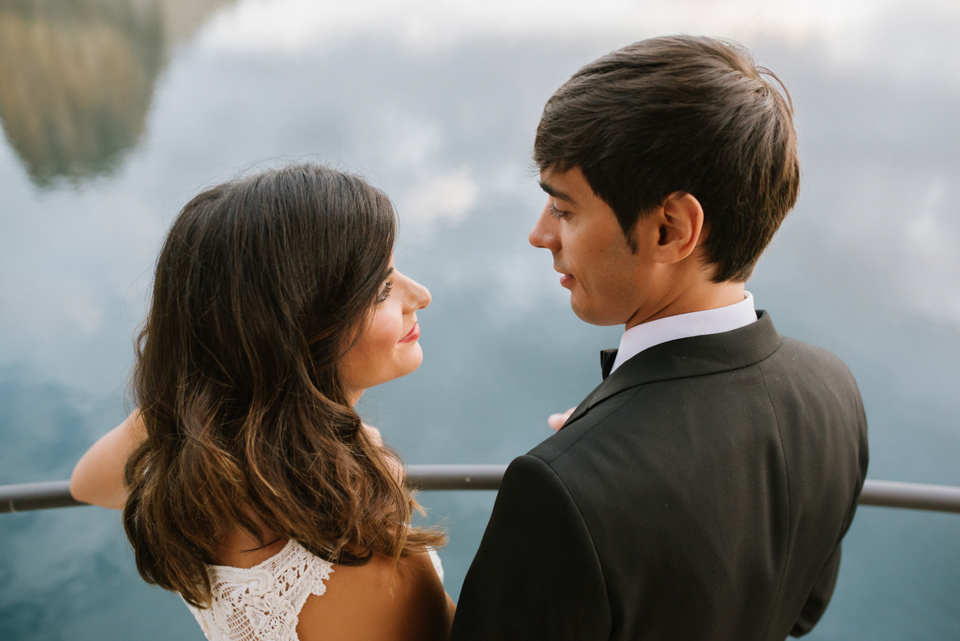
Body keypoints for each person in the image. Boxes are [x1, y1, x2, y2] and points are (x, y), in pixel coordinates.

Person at [451, 36, 869, 640]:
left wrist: (589, 472)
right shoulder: (835, 389)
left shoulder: (558, 491)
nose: (540, 235)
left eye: (564, 209)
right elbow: (802, 608)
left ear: (671, 229)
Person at [70, 164, 455, 641]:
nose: (421, 295)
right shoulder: (358, 550)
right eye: (379, 289)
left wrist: (200, 375)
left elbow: (89, 483)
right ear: (291, 335)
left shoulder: (201, 479)